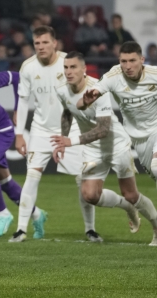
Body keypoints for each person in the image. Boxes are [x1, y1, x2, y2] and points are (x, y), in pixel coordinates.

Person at [51, 51, 140, 242]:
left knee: (130, 192)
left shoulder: (97, 90)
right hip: (84, 140)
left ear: (84, 69)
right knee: (88, 192)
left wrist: (70, 141)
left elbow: (104, 129)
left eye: (73, 67)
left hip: (109, 141)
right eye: (65, 67)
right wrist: (62, 141)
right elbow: (67, 112)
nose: (68, 71)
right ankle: (100, 223)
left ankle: (127, 211)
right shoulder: (60, 89)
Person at [12, 26, 89, 243]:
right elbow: (24, 100)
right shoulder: (27, 67)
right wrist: (20, 134)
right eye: (37, 43)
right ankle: (21, 229)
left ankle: (90, 229)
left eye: (45, 42)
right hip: (40, 130)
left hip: (70, 128)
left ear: (55, 43)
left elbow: (85, 89)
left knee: (82, 180)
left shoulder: (68, 63)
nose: (41, 47)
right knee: (31, 176)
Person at [80, 41, 157, 246]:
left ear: (142, 60)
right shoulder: (114, 77)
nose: (128, 65)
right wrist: (88, 98)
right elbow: (93, 93)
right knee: (143, 184)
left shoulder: (154, 74)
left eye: (133, 60)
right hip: (139, 140)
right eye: (124, 61)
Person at [0, 70, 46, 237]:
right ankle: (37, 214)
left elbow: (17, 77)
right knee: (5, 182)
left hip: (0, 130)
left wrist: (17, 109)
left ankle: (3, 214)